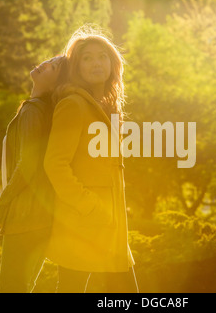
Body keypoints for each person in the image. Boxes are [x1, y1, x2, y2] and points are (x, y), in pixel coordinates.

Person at [44, 26, 138, 293]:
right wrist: (91, 207)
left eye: (103, 56)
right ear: (76, 66)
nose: (96, 63)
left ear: (113, 64)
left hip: (111, 229)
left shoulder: (107, 109)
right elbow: (55, 164)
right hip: (82, 225)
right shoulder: (73, 105)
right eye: (87, 58)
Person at [0, 55, 69, 293]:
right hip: (41, 217)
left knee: (11, 287)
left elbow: (28, 163)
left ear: (57, 83)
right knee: (22, 287)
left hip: (25, 214)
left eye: (53, 67)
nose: (44, 64)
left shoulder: (33, 111)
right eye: (48, 61)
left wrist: (4, 201)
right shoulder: (44, 111)